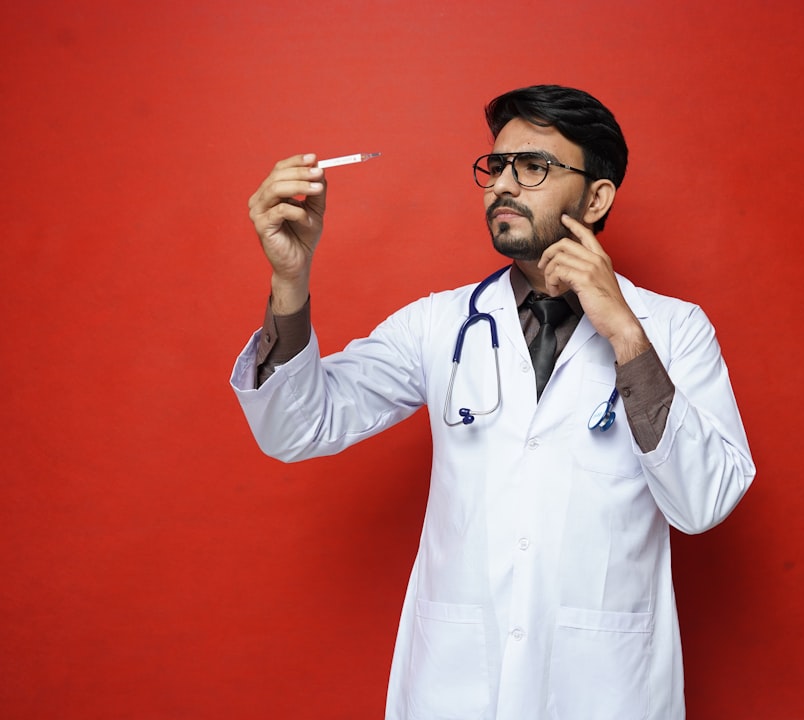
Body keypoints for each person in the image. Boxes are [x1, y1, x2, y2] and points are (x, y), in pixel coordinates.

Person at [231, 84, 755, 720]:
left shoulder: (672, 330)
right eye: (496, 165)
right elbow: (297, 426)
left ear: (596, 196)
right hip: (457, 685)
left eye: (533, 166)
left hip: (604, 690)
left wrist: (623, 332)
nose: (503, 183)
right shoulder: (439, 324)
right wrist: (290, 279)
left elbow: (704, 502)